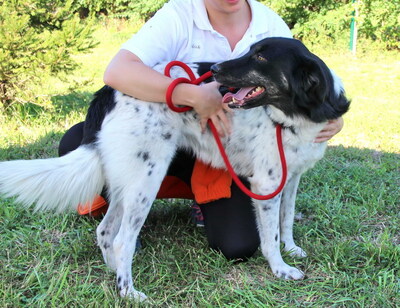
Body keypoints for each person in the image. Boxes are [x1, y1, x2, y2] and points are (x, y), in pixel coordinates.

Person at [59, 0, 344, 261]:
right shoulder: (179, 15)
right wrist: (192, 95)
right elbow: (117, 73)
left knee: (237, 245)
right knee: (79, 143)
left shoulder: (269, 24)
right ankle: (118, 210)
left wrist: (331, 115)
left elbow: (302, 87)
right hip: (168, 127)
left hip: (226, 150)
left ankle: (201, 198)